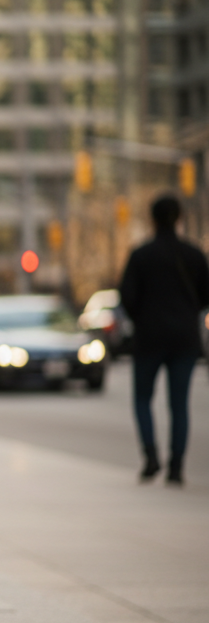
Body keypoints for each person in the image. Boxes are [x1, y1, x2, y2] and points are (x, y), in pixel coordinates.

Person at [120, 194, 209, 486]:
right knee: (179, 404)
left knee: (143, 398)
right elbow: (205, 296)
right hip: (184, 337)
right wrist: (185, 314)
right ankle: (176, 466)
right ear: (179, 218)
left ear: (153, 219)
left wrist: (144, 318)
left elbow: (127, 297)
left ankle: (150, 456)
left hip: (149, 338)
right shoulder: (194, 255)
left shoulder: (141, 255)